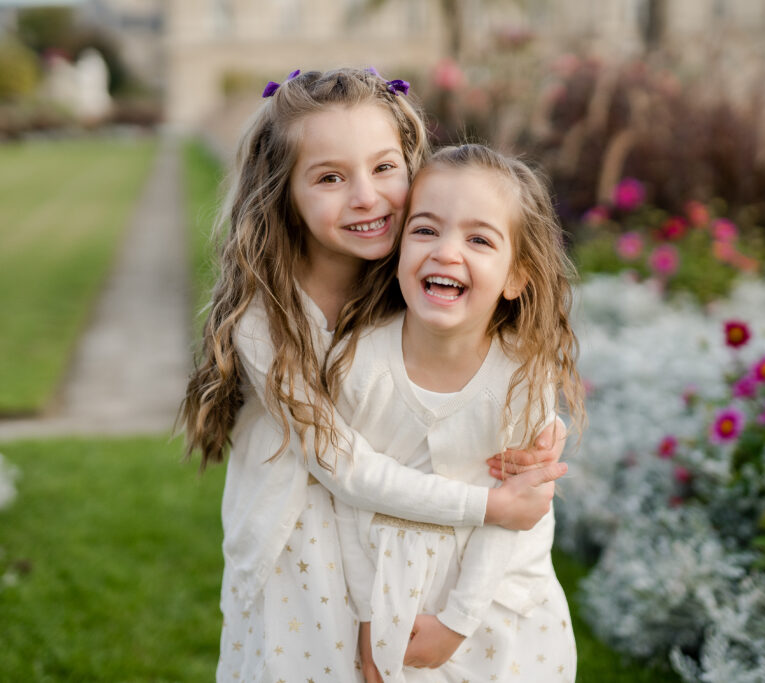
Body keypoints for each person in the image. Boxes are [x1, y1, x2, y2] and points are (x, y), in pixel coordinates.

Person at [178, 68, 568, 683]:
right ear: (284, 192)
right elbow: (344, 467)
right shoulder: (267, 317)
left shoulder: (411, 274)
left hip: (403, 537)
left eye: (385, 168)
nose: (366, 197)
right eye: (330, 177)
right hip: (299, 540)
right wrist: (492, 505)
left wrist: (527, 452)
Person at [328, 144, 584, 682]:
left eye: (478, 239)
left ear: (516, 276)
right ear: (397, 251)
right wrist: (367, 619)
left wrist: (458, 622)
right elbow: (346, 503)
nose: (446, 252)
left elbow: (516, 515)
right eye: (424, 230)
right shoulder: (360, 363)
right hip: (387, 596)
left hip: (487, 601)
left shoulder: (520, 379)